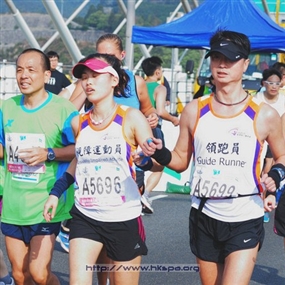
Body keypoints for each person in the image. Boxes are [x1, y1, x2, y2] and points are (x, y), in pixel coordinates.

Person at [135, 30, 285, 285]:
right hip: (204, 213)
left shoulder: (265, 115)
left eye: (231, 59)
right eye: (216, 58)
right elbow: (181, 159)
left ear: (245, 63)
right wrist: (158, 153)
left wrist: (275, 175)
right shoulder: (194, 111)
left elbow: (282, 155)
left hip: (244, 214)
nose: (222, 65)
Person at [43, 53, 160, 285]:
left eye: (96, 76)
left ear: (114, 80)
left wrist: (143, 160)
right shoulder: (79, 122)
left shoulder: (133, 118)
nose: (88, 82)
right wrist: (55, 193)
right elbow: (78, 162)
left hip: (123, 217)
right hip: (85, 216)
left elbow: (155, 162)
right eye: (84, 77)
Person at [0, 48, 78, 285]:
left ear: (47, 75)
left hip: (47, 202)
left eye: (31, 70)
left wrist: (49, 153)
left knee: (39, 273)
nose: (24, 75)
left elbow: (80, 149)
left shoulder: (64, 109)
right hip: (14, 204)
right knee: (20, 275)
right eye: (20, 70)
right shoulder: (7, 108)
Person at [140, 56, 179, 213]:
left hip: (136, 128)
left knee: (137, 163)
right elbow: (161, 111)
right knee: (159, 165)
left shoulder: (138, 86)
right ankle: (145, 194)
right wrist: (174, 119)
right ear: (157, 72)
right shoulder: (160, 88)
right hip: (153, 129)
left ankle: (137, 193)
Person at [255, 68, 285, 222]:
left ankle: (270, 195)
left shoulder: (284, 100)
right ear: (263, 83)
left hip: (278, 139)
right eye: (270, 83)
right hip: (260, 139)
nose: (274, 86)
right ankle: (262, 198)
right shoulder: (256, 99)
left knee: (274, 164)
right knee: (264, 167)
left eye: (277, 83)